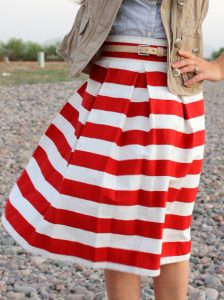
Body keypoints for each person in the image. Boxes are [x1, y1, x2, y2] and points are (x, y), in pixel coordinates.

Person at [1, 0, 224, 299]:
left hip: (173, 86)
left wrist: (218, 67)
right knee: (116, 222)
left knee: (171, 221)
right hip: (111, 81)